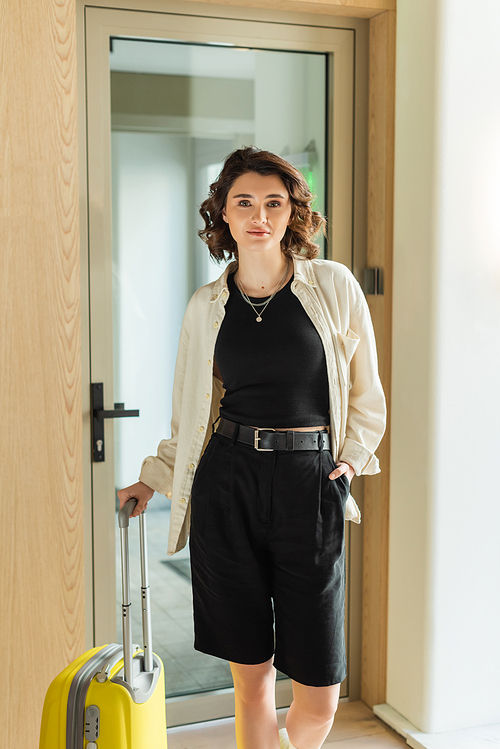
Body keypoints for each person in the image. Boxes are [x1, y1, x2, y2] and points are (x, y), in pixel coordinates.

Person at [118, 146, 386, 749]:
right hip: (228, 483)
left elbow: (368, 392)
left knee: (319, 691)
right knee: (252, 680)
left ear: (292, 213)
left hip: (310, 483)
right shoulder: (205, 307)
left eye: (274, 202)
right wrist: (153, 478)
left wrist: (349, 462)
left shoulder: (333, 286)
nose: (260, 214)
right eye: (245, 202)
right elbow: (190, 415)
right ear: (225, 215)